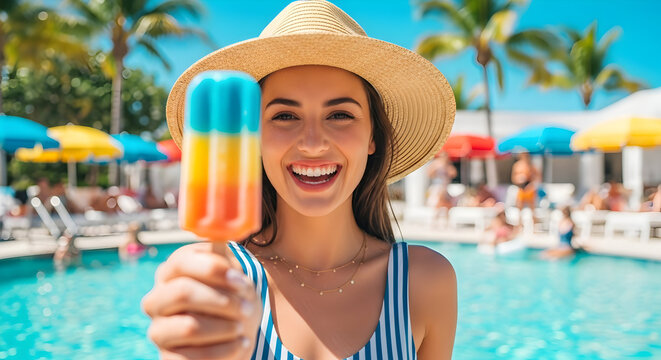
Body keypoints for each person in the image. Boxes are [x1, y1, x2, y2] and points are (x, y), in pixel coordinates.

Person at [141, 1, 457, 359]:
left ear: (373, 137)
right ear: (250, 138)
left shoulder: (426, 281)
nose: (312, 143)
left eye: (340, 114)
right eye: (285, 115)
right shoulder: (214, 278)